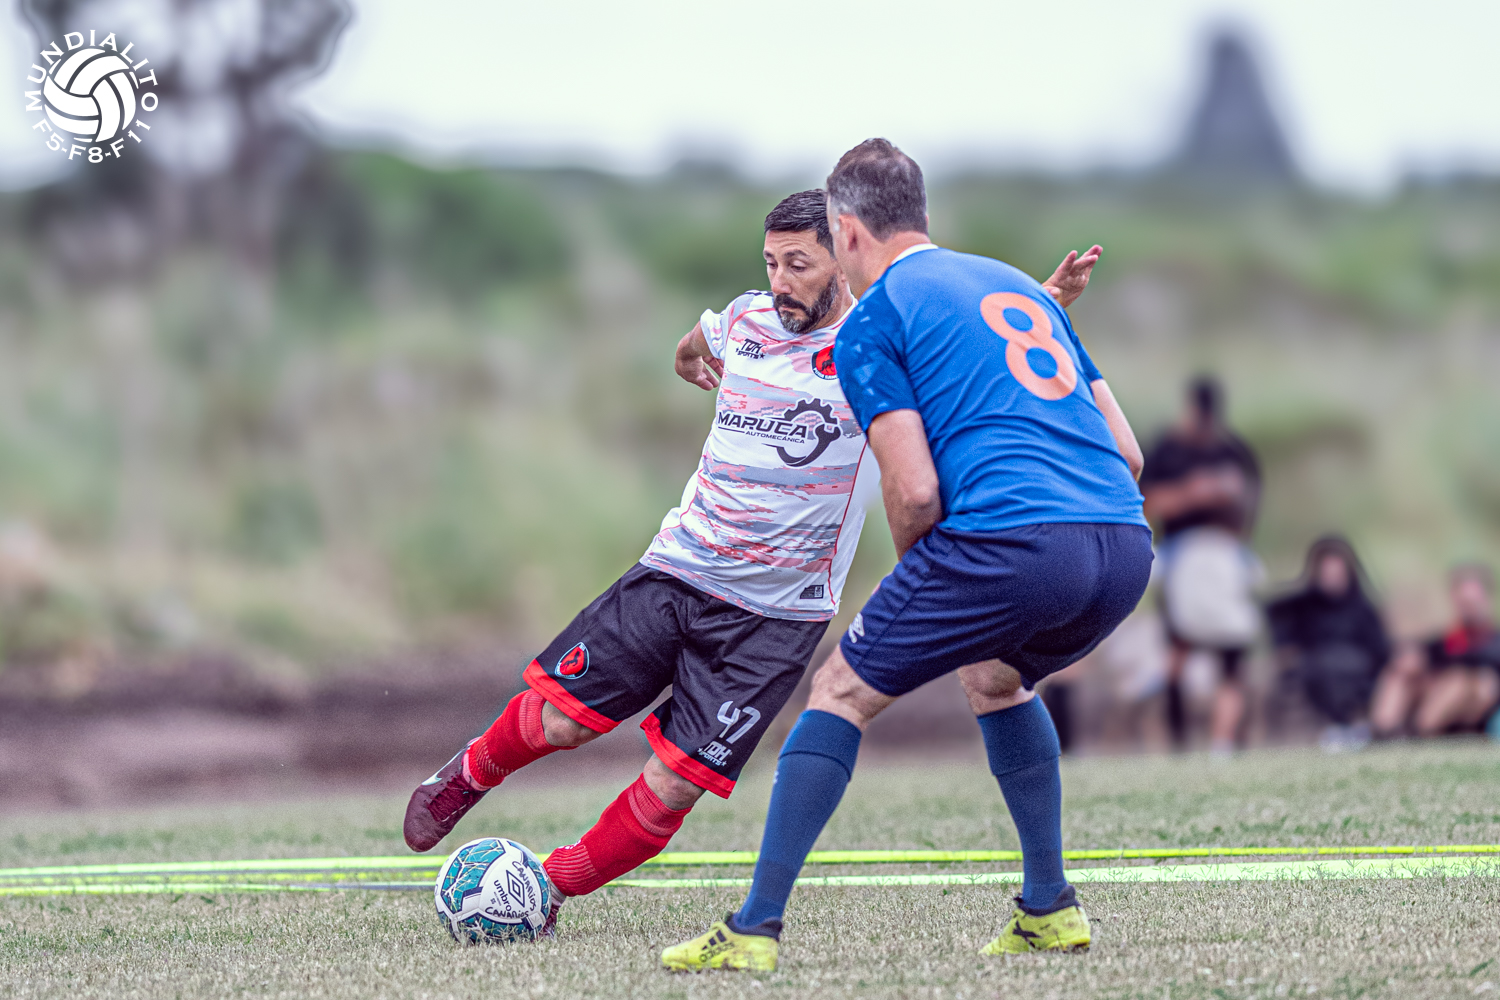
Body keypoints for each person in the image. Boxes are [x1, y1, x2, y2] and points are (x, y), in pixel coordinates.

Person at [402, 189, 1102, 934]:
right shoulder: (745, 320)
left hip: (778, 617)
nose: (780, 282)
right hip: (679, 569)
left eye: (798, 264)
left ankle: (545, 891)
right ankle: (466, 775)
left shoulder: (881, 342)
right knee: (562, 722)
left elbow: (981, 342)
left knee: (675, 783)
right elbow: (695, 341)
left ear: (844, 260)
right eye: (770, 263)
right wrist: (687, 356)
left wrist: (1045, 298)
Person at [662, 139, 1150, 973]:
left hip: (1015, 542)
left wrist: (925, 580)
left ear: (847, 231)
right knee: (993, 678)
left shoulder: (875, 318)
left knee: (838, 690)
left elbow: (916, 490)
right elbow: (1129, 454)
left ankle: (752, 930)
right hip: (1123, 544)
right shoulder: (1012, 285)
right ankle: (1048, 908)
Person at [1139, 376, 1262, 754]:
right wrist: (1192, 493)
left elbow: (1252, 501)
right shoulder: (1167, 449)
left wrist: (1230, 497)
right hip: (1182, 555)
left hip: (1224, 556)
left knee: (1234, 649)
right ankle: (1179, 744)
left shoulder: (1233, 449)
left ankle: (1225, 742)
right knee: (1177, 650)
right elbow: (1147, 502)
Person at [1266, 536, 1390, 751]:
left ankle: (1351, 727)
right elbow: (1278, 623)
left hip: (1357, 673)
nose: (1332, 580)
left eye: (1337, 574)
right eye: (1327, 574)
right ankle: (1338, 728)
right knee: (1318, 668)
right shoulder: (1302, 606)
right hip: (1315, 669)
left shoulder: (1362, 608)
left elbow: (1380, 650)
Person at [1371, 564, 1500, 738]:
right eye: (1462, 602)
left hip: (1476, 706)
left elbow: (1486, 659)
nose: (1467, 607)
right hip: (1439, 695)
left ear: (1486, 599)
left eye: (1471, 601)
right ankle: (1383, 731)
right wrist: (1414, 658)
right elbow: (1429, 651)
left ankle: (1421, 731)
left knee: (1458, 680)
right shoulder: (1452, 638)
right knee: (1402, 671)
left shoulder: (1492, 638)